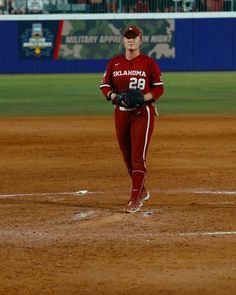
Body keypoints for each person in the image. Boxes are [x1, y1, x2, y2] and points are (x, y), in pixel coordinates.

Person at [99, 25, 164, 213]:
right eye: (127, 37)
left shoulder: (149, 63)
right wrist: (114, 97)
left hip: (142, 113)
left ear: (140, 41)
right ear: (123, 40)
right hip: (120, 112)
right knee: (127, 159)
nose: (130, 40)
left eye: (134, 37)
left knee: (138, 158)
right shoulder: (114, 63)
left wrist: (144, 98)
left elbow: (159, 88)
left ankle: (134, 199)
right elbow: (104, 86)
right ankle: (141, 190)